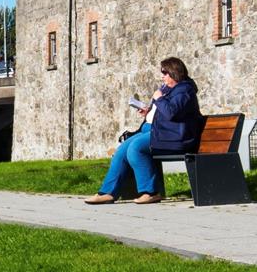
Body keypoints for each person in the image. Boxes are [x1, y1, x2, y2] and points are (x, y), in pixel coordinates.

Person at [85, 56, 201, 206]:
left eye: (165, 72)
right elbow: (166, 112)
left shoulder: (184, 91)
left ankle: (151, 192)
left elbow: (171, 112)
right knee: (122, 150)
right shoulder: (169, 90)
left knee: (136, 148)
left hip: (175, 136)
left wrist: (159, 99)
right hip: (160, 131)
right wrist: (149, 111)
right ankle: (107, 192)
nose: (162, 76)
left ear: (174, 73)